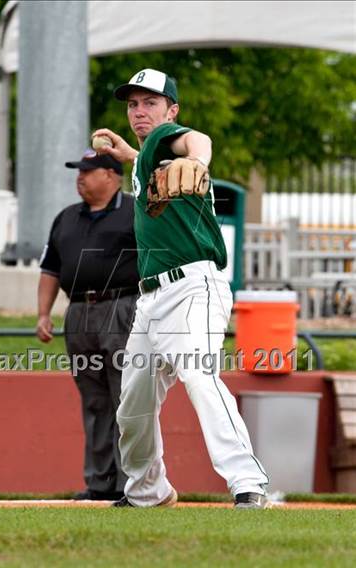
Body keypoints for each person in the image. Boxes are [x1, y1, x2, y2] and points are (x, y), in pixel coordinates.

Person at [93, 68, 270, 509]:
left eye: (150, 102)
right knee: (132, 403)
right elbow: (157, 158)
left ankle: (247, 482)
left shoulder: (171, 138)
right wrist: (131, 154)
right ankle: (148, 492)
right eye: (132, 104)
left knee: (198, 374)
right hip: (151, 299)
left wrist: (197, 161)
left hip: (193, 287)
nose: (139, 111)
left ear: (171, 109)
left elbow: (198, 141)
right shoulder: (150, 152)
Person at [37, 150, 139, 501]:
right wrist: (43, 313)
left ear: (111, 176)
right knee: (95, 400)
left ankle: (132, 484)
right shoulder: (66, 218)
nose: (79, 177)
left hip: (123, 307)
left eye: (88, 171)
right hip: (79, 312)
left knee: (126, 396)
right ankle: (99, 483)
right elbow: (50, 268)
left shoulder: (136, 211)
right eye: (78, 171)